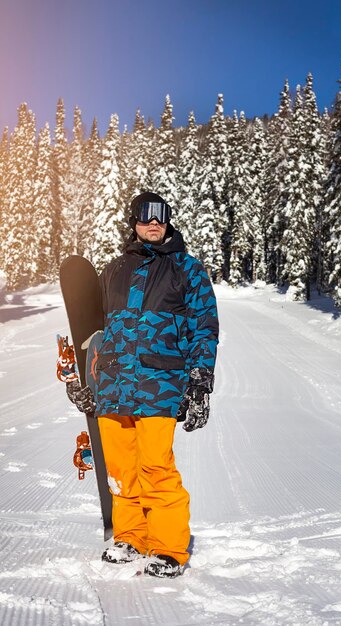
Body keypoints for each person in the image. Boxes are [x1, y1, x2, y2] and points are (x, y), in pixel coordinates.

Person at [66, 191, 219, 578]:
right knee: (119, 469)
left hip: (160, 382)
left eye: (162, 215)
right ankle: (131, 537)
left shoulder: (187, 269)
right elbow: (97, 331)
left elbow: (205, 328)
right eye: (146, 215)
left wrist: (200, 382)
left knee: (156, 467)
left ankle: (168, 548)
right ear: (133, 220)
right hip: (114, 385)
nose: (154, 222)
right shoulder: (115, 269)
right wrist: (85, 377)